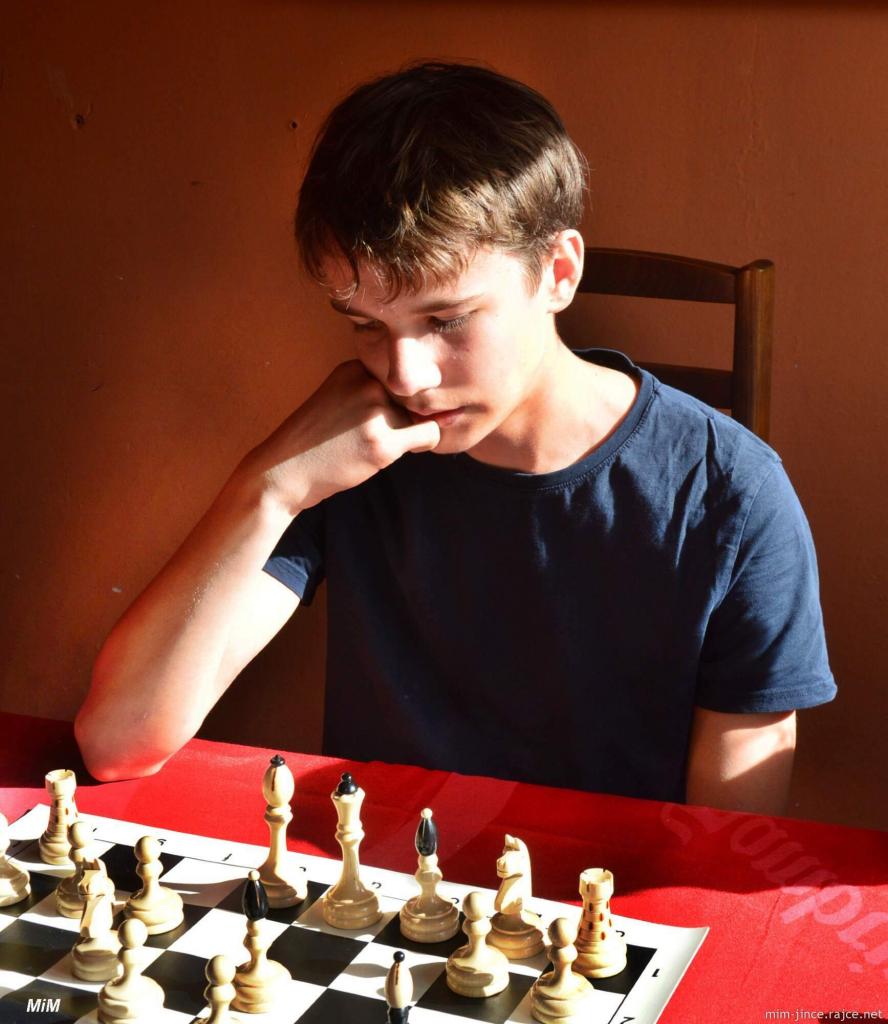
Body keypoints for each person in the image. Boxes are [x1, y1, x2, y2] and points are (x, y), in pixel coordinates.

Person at [75, 61, 835, 813]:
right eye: (367, 326)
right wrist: (269, 486)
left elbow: (727, 843)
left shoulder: (731, 497)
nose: (406, 375)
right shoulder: (350, 454)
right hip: (377, 880)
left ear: (557, 271)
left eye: (446, 320)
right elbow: (118, 741)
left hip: (605, 891)